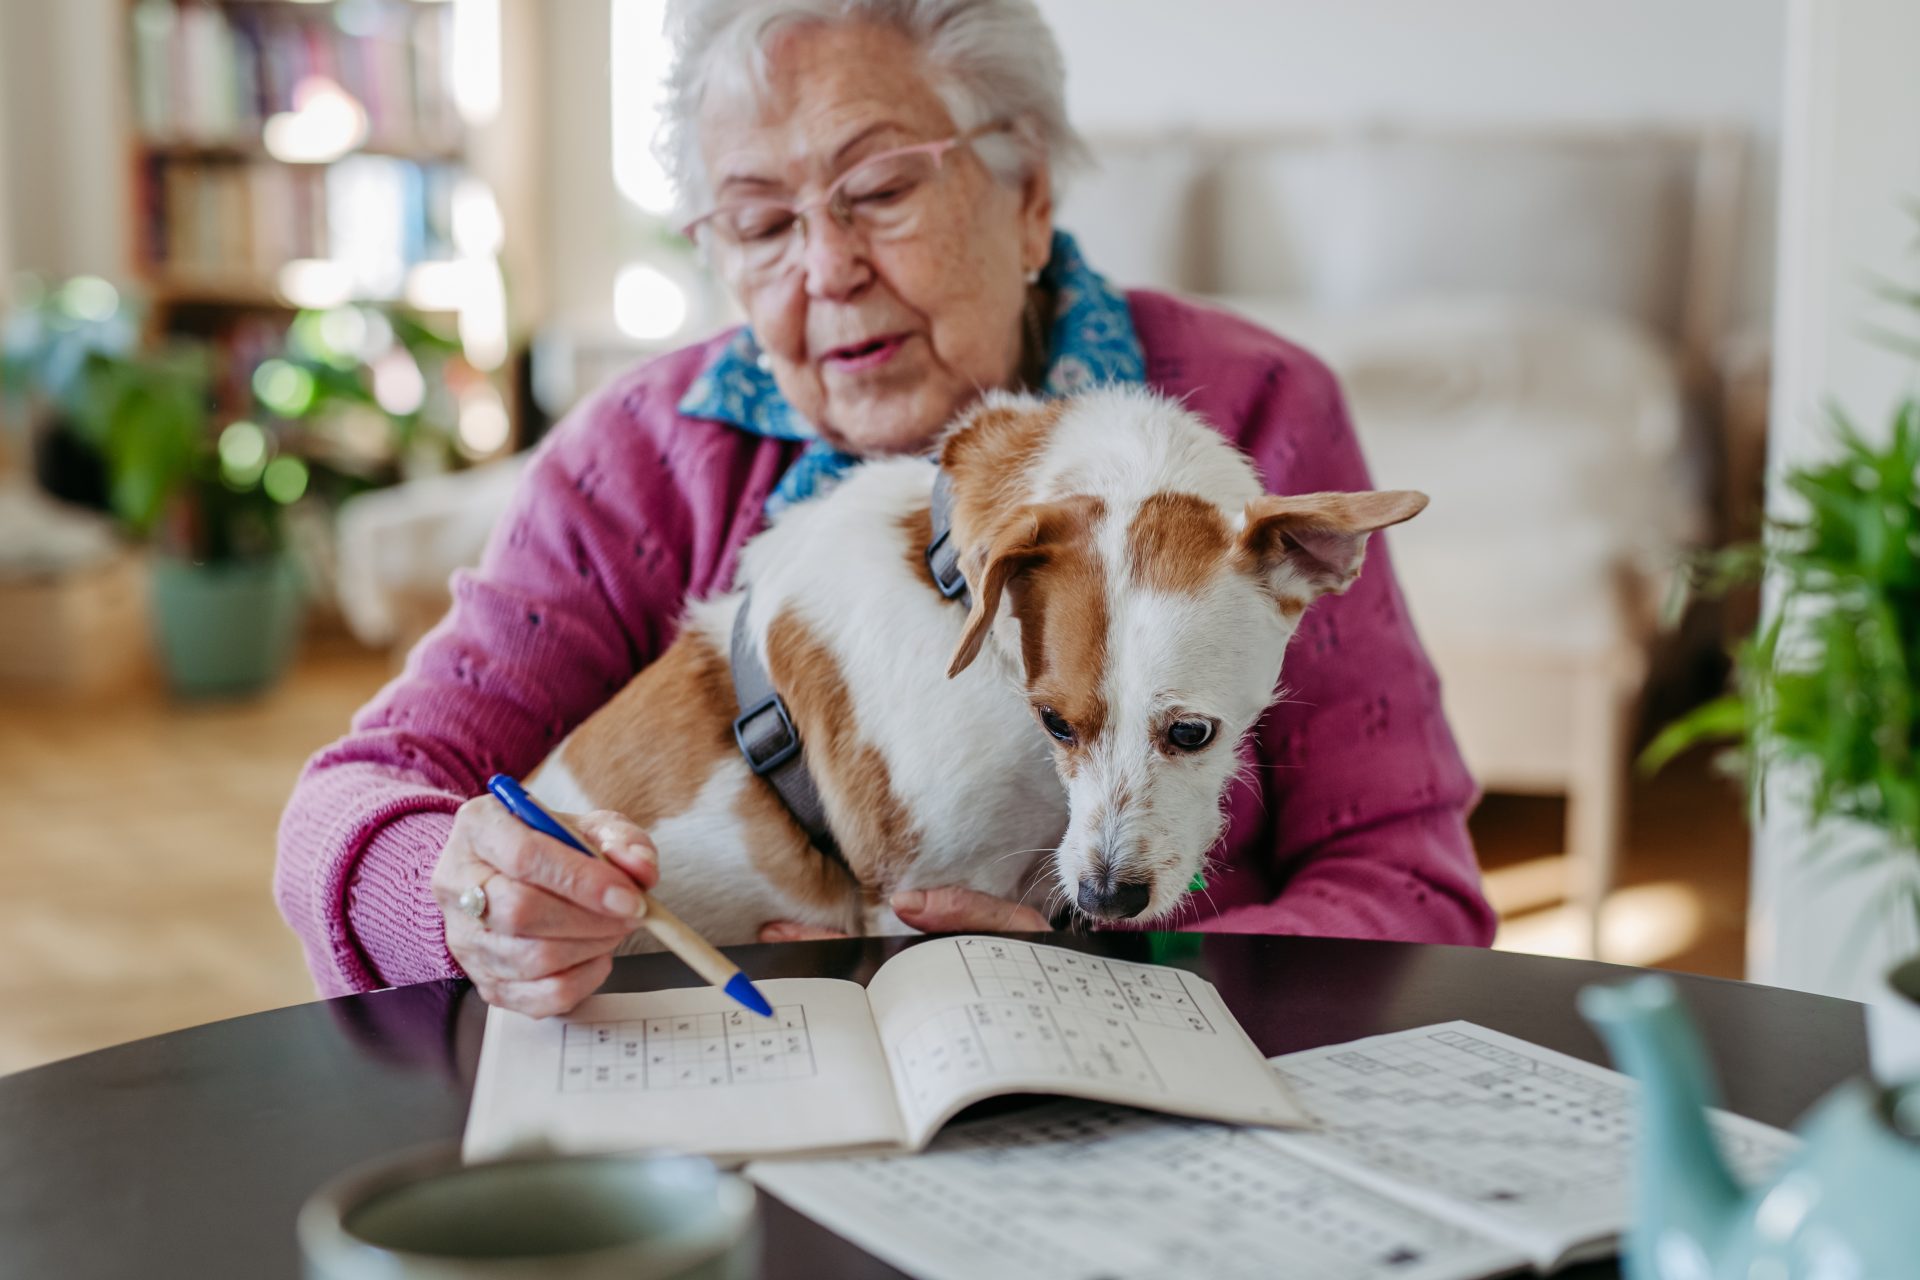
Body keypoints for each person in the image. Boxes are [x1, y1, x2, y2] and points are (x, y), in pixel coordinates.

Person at [275, 0, 1496, 1016]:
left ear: (1028, 197)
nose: (825, 268)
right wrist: (468, 903)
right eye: (760, 222)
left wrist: (1136, 981)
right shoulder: (638, 457)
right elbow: (358, 793)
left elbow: (1414, 888)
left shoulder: (1259, 419)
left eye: (877, 190)